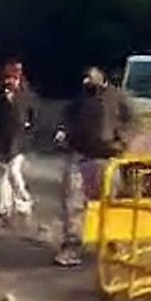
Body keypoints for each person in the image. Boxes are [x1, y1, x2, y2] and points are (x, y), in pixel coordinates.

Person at [54, 66, 136, 267]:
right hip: (80, 155)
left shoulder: (118, 97)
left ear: (101, 76)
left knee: (111, 203)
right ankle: (71, 245)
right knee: (73, 203)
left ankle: (113, 241)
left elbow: (134, 122)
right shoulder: (79, 98)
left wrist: (121, 141)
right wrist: (63, 132)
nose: (86, 82)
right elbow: (66, 118)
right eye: (84, 79)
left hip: (109, 158)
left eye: (89, 78)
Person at [0, 62, 36, 227]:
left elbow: (34, 117)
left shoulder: (26, 95)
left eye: (13, 78)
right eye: (8, 78)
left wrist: (28, 130)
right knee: (1, 179)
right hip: (0, 141)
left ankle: (24, 200)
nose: (10, 82)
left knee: (13, 172)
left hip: (17, 143)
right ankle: (3, 210)